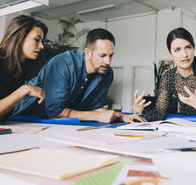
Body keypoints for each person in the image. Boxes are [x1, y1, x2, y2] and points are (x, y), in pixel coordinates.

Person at [12, 28, 145, 123]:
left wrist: (120, 115)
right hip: (23, 117)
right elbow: (55, 112)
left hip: (57, 124)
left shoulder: (107, 73)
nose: (108, 61)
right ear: (87, 53)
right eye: (102, 55)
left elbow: (95, 108)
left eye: (111, 55)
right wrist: (97, 116)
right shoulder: (62, 64)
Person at [133, 27, 196, 128]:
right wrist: (141, 110)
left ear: (193, 49)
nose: (184, 54)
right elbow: (159, 115)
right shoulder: (168, 77)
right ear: (170, 54)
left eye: (188, 47)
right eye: (177, 50)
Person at [0, 15, 47, 125]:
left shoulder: (18, 69)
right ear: (19, 37)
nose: (41, 46)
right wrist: (23, 90)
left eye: (42, 41)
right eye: (37, 40)